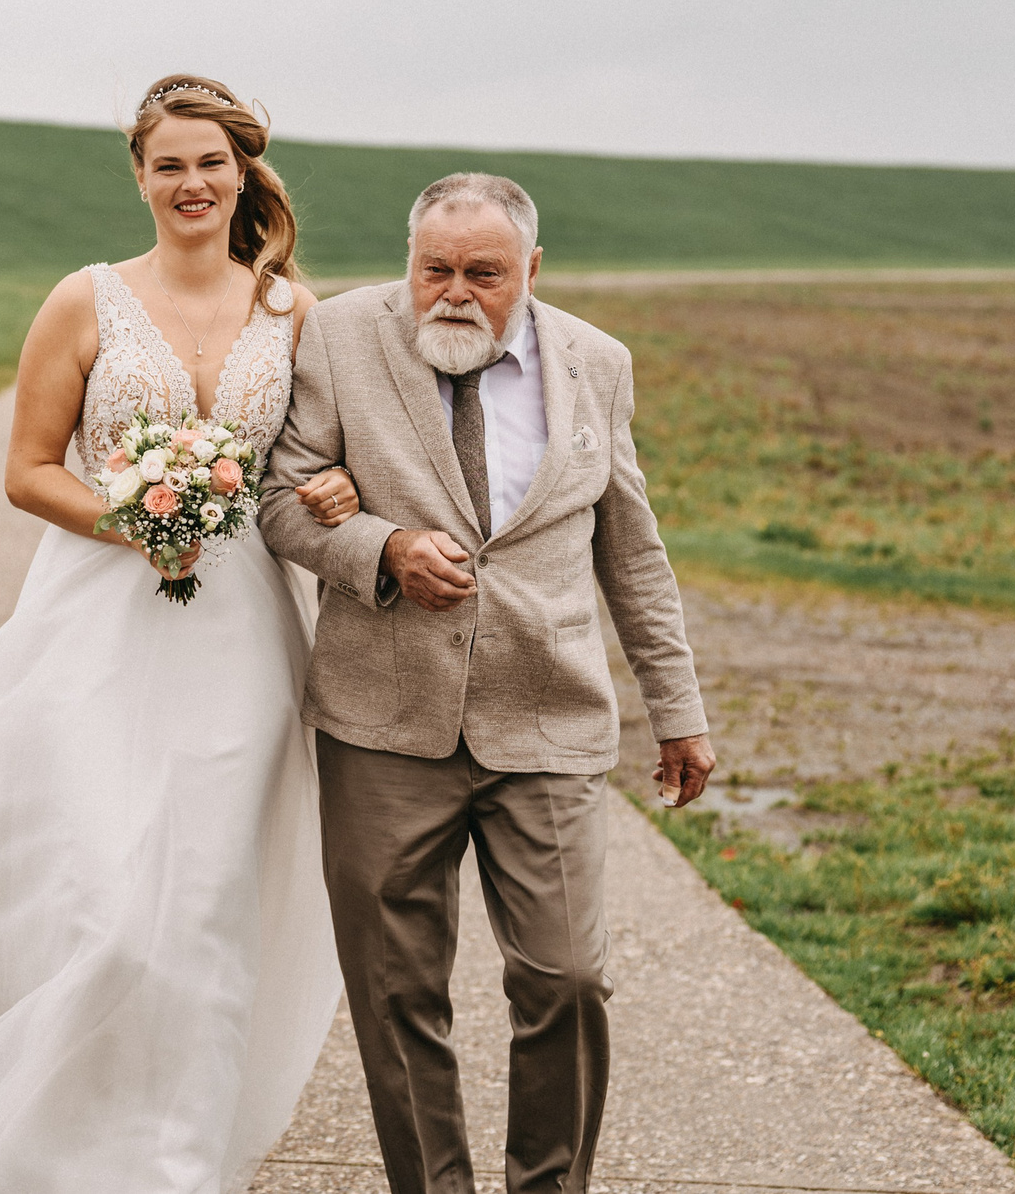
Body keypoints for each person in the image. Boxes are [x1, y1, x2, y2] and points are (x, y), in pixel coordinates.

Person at [0, 76, 357, 1194]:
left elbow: (311, 467)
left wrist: (336, 488)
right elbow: (25, 471)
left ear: (242, 170)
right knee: (107, 902)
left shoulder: (295, 312)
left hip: (242, 630)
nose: (191, 182)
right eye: (170, 165)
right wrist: (139, 516)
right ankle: (54, 1147)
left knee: (202, 908)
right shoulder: (85, 300)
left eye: (211, 162)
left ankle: (178, 1161)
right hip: (98, 622)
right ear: (141, 178)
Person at [260, 172, 715, 1194]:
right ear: (407, 259)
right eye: (434, 270)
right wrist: (382, 549)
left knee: (568, 979)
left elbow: (631, 552)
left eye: (483, 273)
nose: (453, 292)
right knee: (394, 993)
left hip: (548, 724)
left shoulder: (597, 363)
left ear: (532, 271)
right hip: (383, 726)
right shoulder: (336, 338)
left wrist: (676, 710)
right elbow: (281, 505)